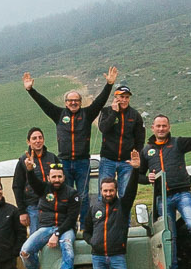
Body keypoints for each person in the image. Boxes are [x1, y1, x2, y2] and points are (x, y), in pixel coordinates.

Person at [24, 67, 116, 232]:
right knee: (64, 196)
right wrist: (31, 90)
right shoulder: (58, 114)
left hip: (82, 163)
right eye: (70, 100)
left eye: (77, 100)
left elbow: (100, 101)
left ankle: (85, 227)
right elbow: (43, 103)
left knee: (83, 196)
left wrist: (109, 85)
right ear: (65, 102)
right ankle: (68, 226)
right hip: (64, 163)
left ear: (80, 103)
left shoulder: (87, 114)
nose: (73, 103)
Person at [143, 108, 191, 269]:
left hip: (182, 194)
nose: (161, 129)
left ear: (169, 127)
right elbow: (137, 175)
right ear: (152, 128)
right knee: (170, 237)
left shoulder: (178, 143)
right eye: (158, 126)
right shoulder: (146, 151)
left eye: (164, 126)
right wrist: (147, 178)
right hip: (162, 198)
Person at [19, 162, 79, 269]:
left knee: (67, 247)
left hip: (66, 228)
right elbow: (34, 182)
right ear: (48, 178)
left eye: (59, 176)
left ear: (64, 177)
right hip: (46, 227)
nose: (56, 180)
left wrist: (57, 234)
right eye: (54, 177)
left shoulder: (72, 193)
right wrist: (29, 171)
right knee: (25, 251)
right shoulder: (43, 189)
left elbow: (71, 219)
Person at [97, 83, 146, 205]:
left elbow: (140, 138)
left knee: (125, 195)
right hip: (108, 159)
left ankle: (125, 223)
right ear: (115, 97)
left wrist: (137, 155)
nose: (124, 100)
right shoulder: (106, 111)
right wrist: (114, 113)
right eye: (121, 97)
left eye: (126, 97)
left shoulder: (135, 115)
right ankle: (103, 223)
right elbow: (103, 128)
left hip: (127, 161)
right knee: (104, 194)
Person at [11, 128, 58, 227]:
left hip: (52, 204)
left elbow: (63, 179)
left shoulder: (52, 157)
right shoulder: (24, 160)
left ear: (43, 140)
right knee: (36, 239)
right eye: (34, 138)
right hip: (34, 206)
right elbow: (17, 186)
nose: (38, 141)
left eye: (40, 138)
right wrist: (22, 211)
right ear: (28, 142)